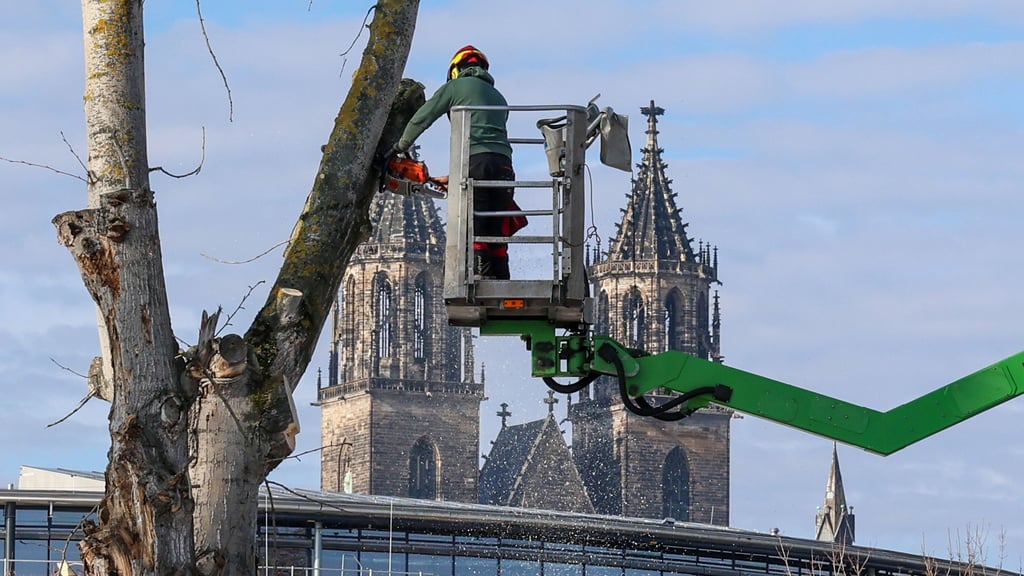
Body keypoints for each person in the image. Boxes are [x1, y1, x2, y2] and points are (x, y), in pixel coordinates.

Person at [392, 45, 520, 280]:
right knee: (496, 224)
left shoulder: (455, 86)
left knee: (476, 222)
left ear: (455, 70)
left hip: (475, 160)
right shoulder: (498, 96)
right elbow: (491, 147)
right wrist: (454, 178)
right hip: (504, 166)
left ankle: (480, 277)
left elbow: (424, 116)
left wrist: (400, 147)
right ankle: (501, 279)